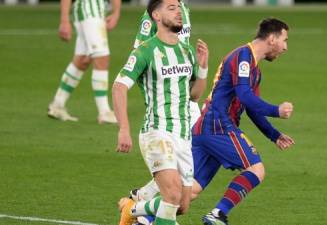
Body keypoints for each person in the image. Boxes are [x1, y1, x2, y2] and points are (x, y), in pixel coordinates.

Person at [131, 17, 295, 225]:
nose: (285, 47)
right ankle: (218, 214)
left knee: (187, 196)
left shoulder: (254, 69)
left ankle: (141, 214)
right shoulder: (243, 57)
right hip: (218, 124)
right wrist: (276, 110)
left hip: (206, 127)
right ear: (272, 38)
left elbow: (251, 107)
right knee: (256, 169)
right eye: (284, 40)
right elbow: (245, 95)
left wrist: (274, 134)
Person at [112, 0, 208, 224]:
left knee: (181, 205)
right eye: (172, 8)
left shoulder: (187, 51)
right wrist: (123, 129)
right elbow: (119, 87)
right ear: (156, 15)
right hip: (157, 132)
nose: (179, 12)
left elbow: (195, 95)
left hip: (183, 136)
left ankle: (132, 209)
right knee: (172, 196)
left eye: (179, 8)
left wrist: (203, 68)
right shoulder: (145, 51)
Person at [47, 0, 121, 124]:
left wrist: (116, 12)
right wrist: (64, 20)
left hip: (96, 8)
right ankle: (104, 112)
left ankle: (57, 105)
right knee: (101, 56)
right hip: (89, 8)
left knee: (82, 60)